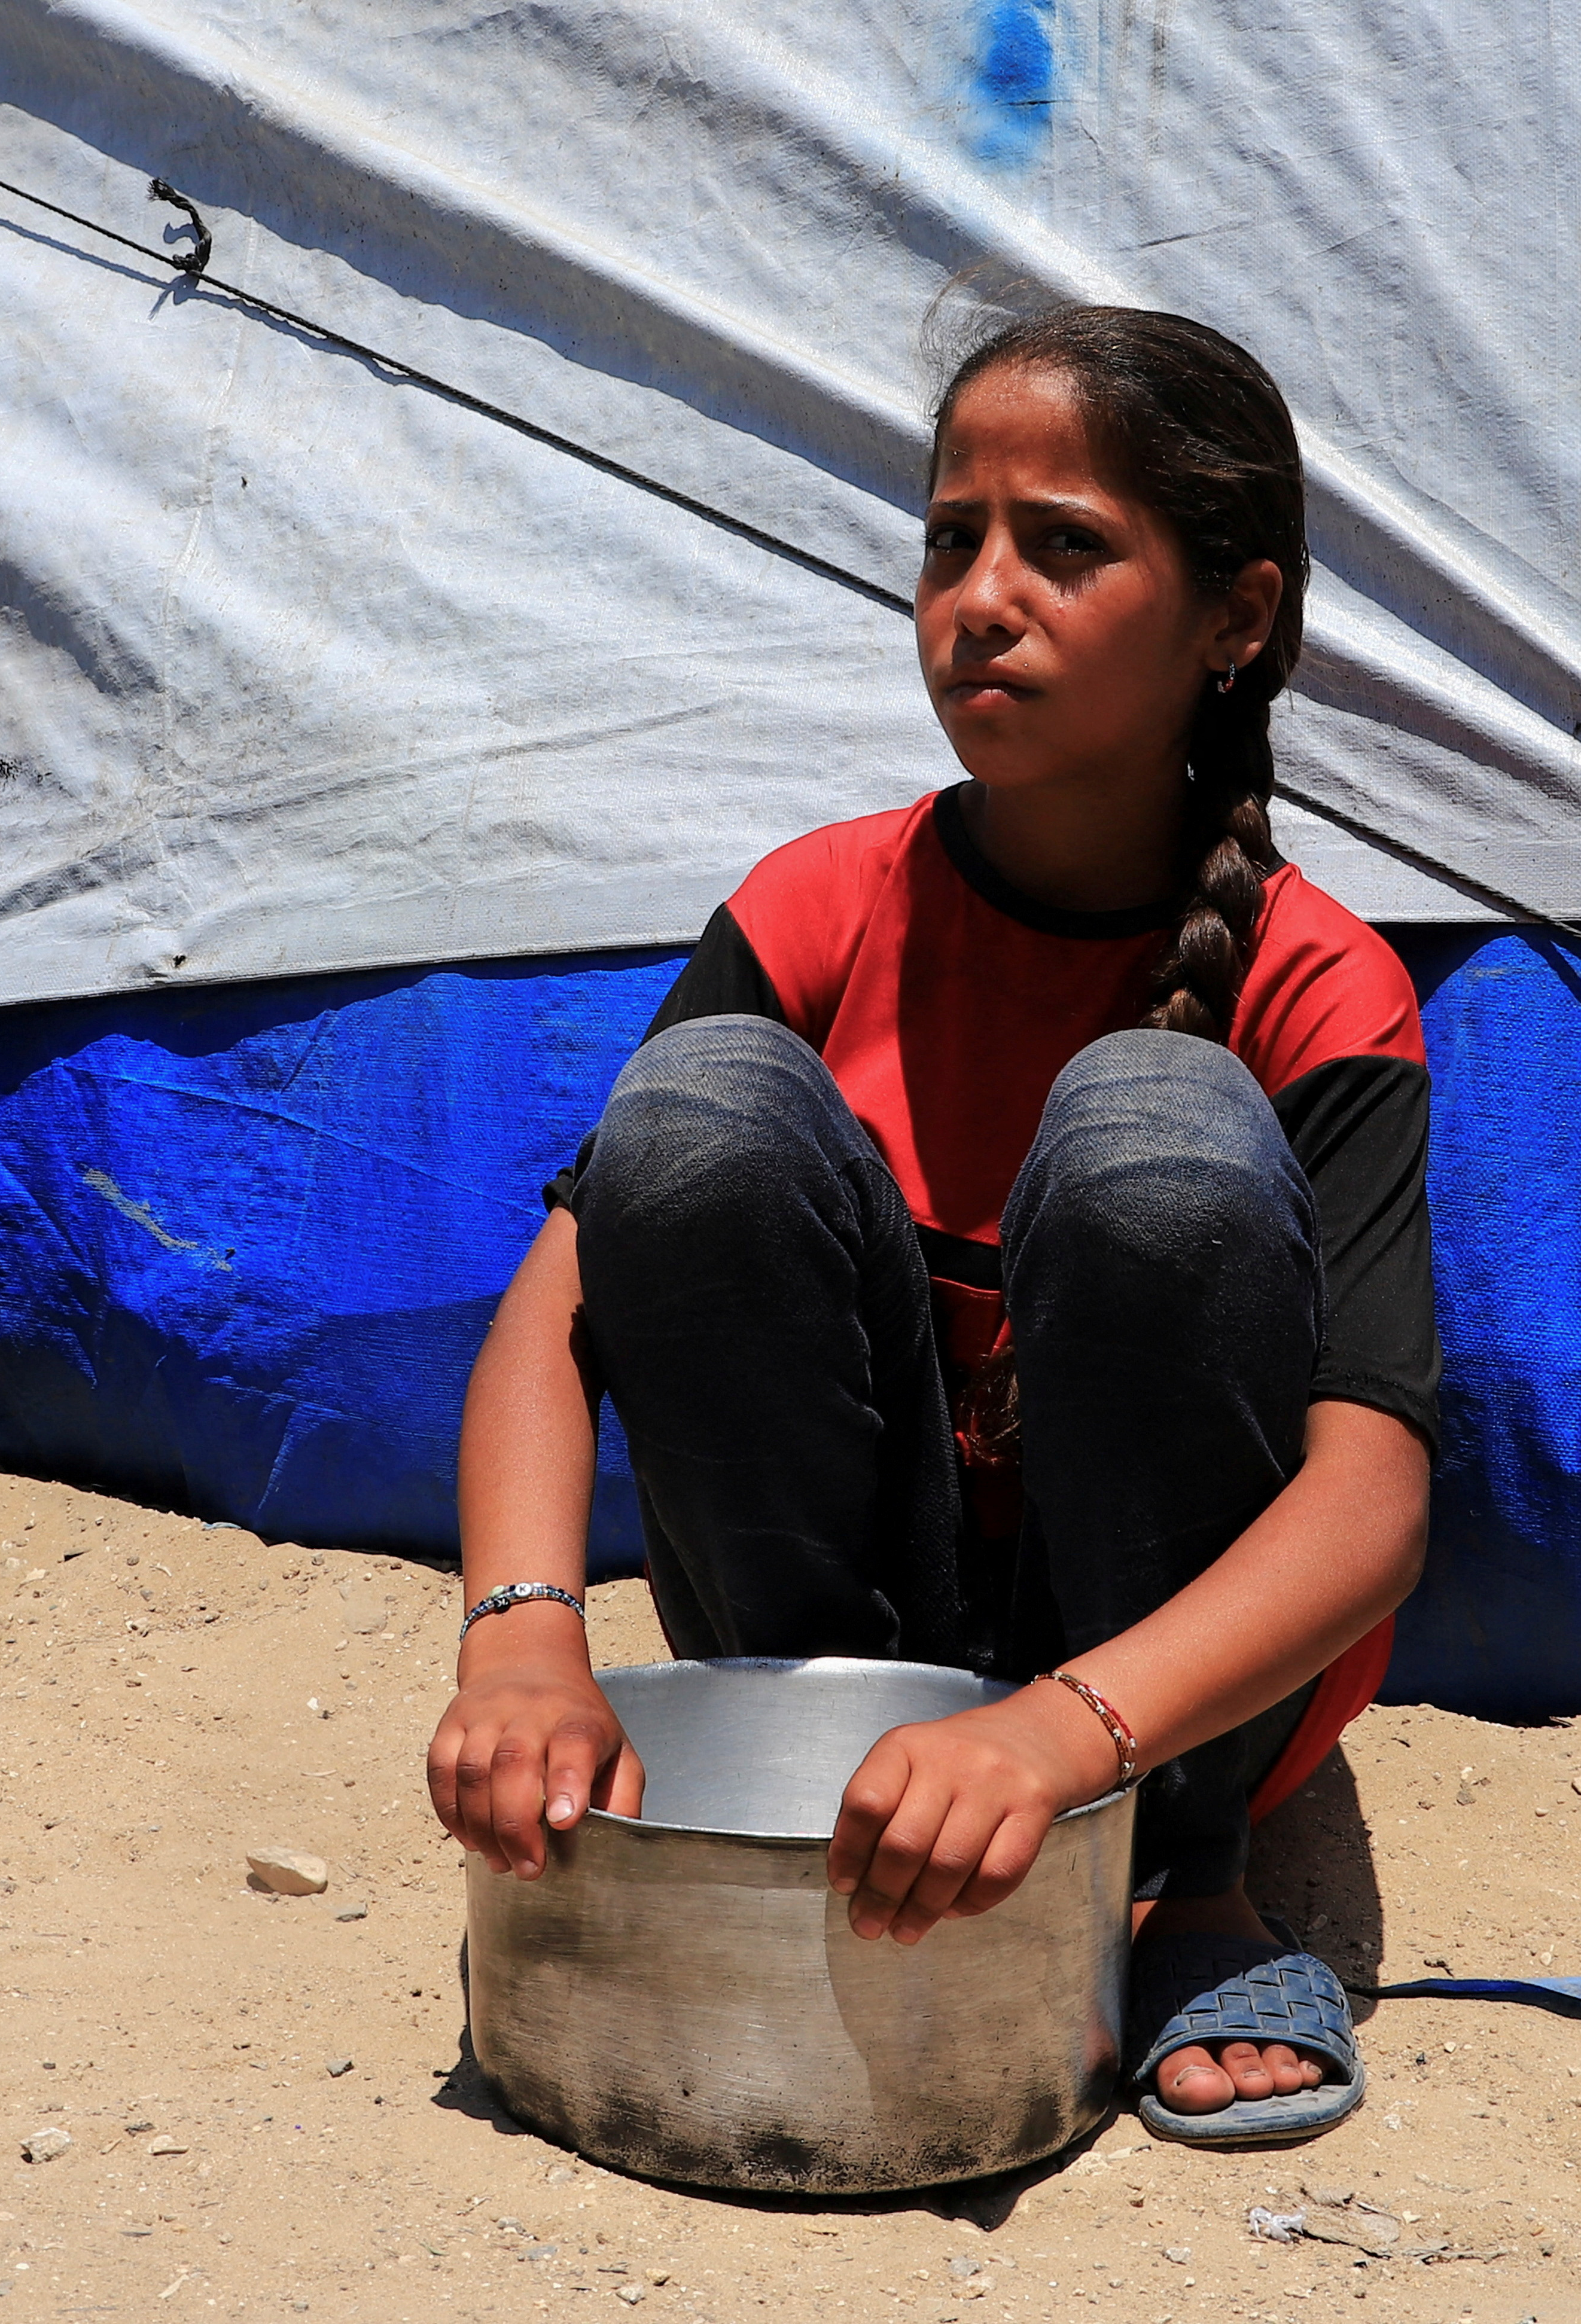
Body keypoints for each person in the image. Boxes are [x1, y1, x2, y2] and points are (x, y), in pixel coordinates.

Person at [426, 307, 1437, 2147]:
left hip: (1150, 1693)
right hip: (841, 1640)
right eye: (947, 536)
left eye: (1063, 542)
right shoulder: (822, 901)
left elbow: (1368, 1500)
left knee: (1152, 1125)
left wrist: (1066, 1736)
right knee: (698, 1112)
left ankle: (1187, 1879)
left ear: (1238, 617)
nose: (979, 595)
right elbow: (549, 1317)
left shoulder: (1319, 982)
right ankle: (822, 1796)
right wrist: (518, 1636)